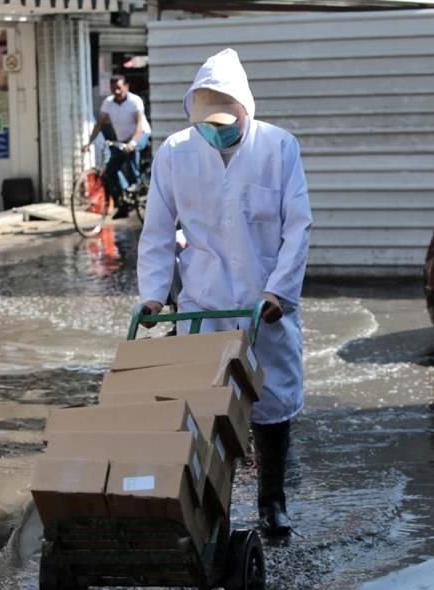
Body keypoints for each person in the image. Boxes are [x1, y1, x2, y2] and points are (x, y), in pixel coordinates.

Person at [136, 49, 313, 536]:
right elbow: (156, 232)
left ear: (244, 110)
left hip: (263, 303)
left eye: (224, 121)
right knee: (204, 407)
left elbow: (297, 228)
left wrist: (279, 293)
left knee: (272, 399)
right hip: (203, 303)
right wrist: (154, 295)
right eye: (206, 122)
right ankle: (211, 505)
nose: (216, 130)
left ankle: (272, 501)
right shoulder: (175, 153)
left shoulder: (278, 148)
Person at [83, 75, 152, 219]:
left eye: (119, 88)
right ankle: (123, 200)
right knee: (110, 169)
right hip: (122, 140)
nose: (117, 91)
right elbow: (99, 124)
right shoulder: (108, 103)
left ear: (126, 87)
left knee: (132, 151)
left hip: (140, 135)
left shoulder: (135, 101)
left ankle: (136, 184)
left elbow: (139, 125)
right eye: (113, 88)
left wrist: (133, 142)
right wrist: (89, 142)